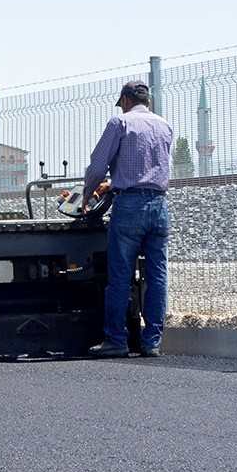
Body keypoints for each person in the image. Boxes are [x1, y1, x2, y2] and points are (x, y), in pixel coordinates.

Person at [81, 81, 174, 359]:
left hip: (129, 206)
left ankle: (116, 340)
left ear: (125, 99)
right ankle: (151, 342)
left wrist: (87, 195)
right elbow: (154, 166)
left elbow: (98, 165)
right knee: (157, 277)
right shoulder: (164, 125)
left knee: (120, 275)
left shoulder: (119, 123)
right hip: (159, 205)